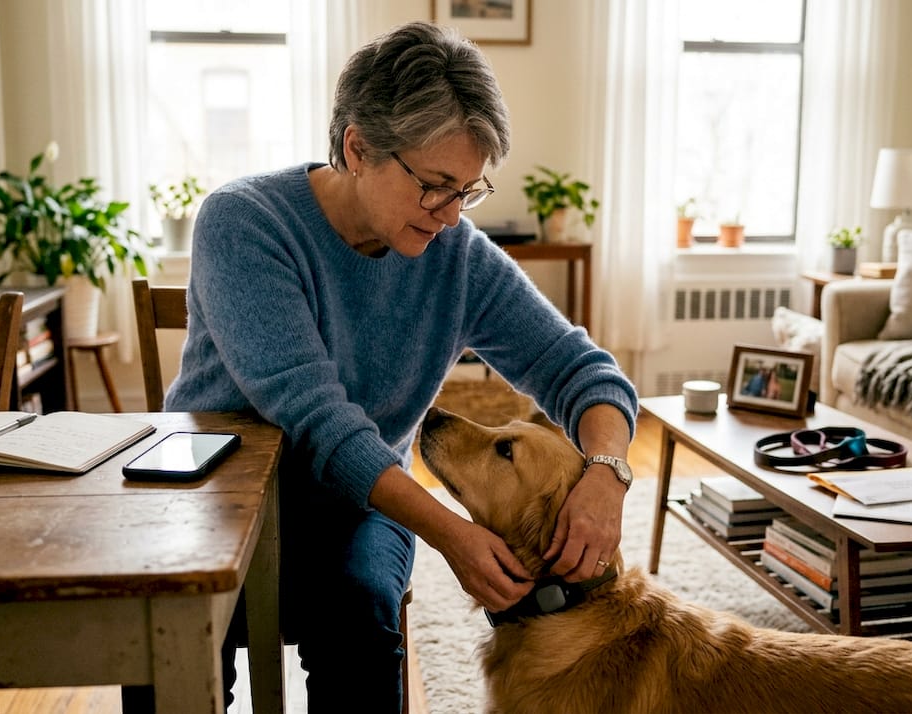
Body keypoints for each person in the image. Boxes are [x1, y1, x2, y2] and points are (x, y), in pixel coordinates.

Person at [165, 21, 638, 712]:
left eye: (468, 191)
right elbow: (320, 421)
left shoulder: (457, 257)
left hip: (361, 502)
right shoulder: (245, 222)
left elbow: (581, 369)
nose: (450, 216)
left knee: (359, 612)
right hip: (218, 491)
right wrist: (450, 533)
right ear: (358, 148)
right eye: (436, 186)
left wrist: (607, 471)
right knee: (173, 639)